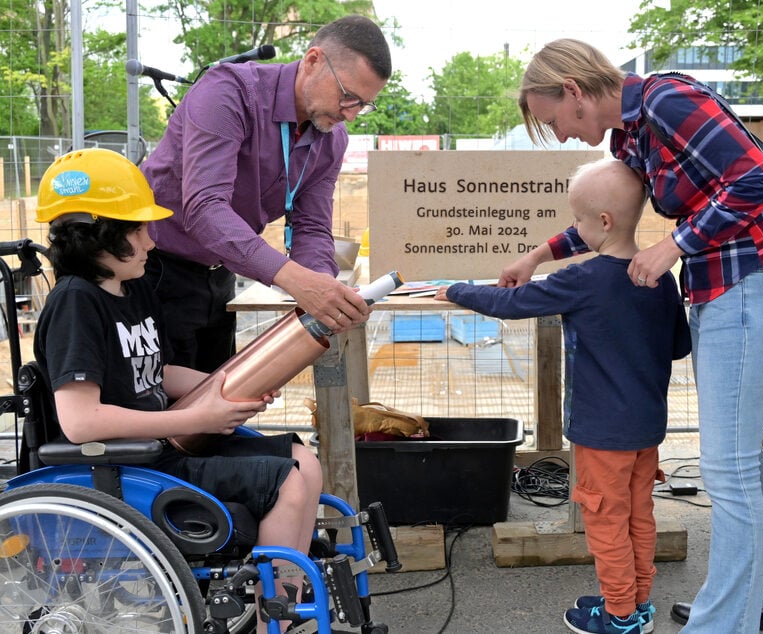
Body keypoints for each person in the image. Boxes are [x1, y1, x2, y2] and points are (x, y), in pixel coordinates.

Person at [507, 39, 763, 633]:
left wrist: (675, 244)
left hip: (750, 281)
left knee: (727, 469)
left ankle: (724, 622)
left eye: (555, 121)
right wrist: (540, 254)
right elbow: (605, 218)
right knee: (741, 463)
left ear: (573, 91)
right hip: (723, 287)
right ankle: (760, 594)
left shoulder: (668, 102)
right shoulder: (629, 135)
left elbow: (756, 179)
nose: (562, 135)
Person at [33, 148, 323, 634]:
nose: (152, 240)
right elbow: (80, 421)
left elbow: (156, 370)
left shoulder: (134, 286)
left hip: (160, 445)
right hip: (126, 460)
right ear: (98, 235)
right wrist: (195, 420)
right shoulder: (76, 306)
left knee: (304, 459)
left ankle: (284, 601)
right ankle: (273, 615)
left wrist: (230, 390)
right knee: (287, 482)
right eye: (139, 229)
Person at [436, 158, 690, 634]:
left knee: (605, 521)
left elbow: (511, 303)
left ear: (604, 222)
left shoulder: (584, 279)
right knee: (639, 515)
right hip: (647, 427)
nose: (574, 229)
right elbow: (680, 346)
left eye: (577, 220)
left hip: (600, 432)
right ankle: (637, 602)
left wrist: (456, 290)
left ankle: (618, 616)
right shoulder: (661, 277)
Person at [141, 14, 392, 373]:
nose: (351, 115)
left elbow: (312, 227)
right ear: (312, 60)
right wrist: (296, 280)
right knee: (157, 408)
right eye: (348, 96)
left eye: (363, 104)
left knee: (216, 402)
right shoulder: (227, 93)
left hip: (221, 272)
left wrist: (323, 288)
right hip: (155, 270)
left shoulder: (332, 138)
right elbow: (205, 208)